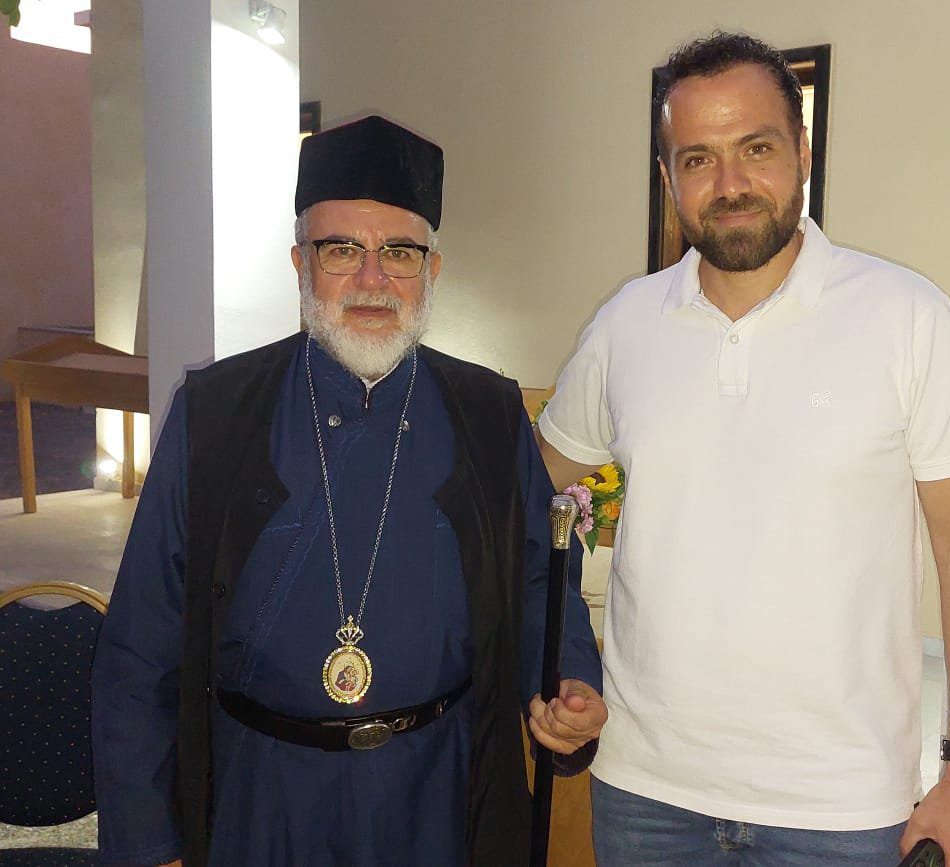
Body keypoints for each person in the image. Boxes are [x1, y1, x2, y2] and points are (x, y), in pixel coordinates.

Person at [535, 32, 950, 867]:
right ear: (668, 179)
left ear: (802, 151)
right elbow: (522, 486)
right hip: (646, 797)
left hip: (842, 811)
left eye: (755, 149)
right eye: (697, 159)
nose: (729, 185)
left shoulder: (909, 318)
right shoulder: (625, 325)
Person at [91, 115, 606, 867]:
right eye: (342, 250)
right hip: (261, 795)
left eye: (399, 251)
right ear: (301, 264)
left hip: (438, 792)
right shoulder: (216, 411)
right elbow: (142, 643)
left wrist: (571, 682)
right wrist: (147, 843)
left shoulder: (489, 414)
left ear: (432, 269)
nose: (372, 279)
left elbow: (538, 581)